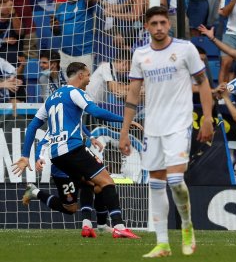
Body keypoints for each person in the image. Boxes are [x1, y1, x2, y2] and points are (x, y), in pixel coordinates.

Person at [119, 6, 215, 258]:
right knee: (156, 184)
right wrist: (125, 131)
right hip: (153, 127)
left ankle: (186, 226)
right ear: (147, 27)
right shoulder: (140, 55)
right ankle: (162, 244)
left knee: (175, 181)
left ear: (169, 25)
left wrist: (207, 118)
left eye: (163, 22)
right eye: (154, 23)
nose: (159, 27)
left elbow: (204, 84)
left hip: (179, 124)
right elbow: (132, 94)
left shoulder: (185, 49)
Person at [12, 61, 140, 239]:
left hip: (57, 156)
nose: (89, 79)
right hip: (73, 149)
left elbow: (33, 126)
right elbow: (95, 111)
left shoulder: (51, 98)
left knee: (89, 186)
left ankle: (94, 224)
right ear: (80, 75)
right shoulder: (76, 92)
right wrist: (124, 119)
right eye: (88, 75)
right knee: (107, 181)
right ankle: (119, 226)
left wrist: (25, 156)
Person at [51, 0, 97, 72]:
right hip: (65, 54)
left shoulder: (85, 3)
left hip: (84, 53)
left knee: (85, 84)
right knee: (66, 85)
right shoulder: (61, 7)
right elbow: (56, 33)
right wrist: (54, 27)